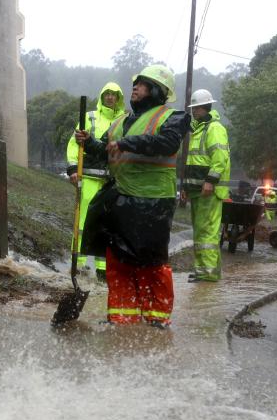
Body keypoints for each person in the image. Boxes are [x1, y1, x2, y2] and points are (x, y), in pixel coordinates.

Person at [74, 64, 190, 328]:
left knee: (151, 264)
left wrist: (126, 143)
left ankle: (156, 320)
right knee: (118, 262)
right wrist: (89, 142)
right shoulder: (120, 122)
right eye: (135, 83)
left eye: (142, 83)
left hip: (153, 203)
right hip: (120, 200)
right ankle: (122, 318)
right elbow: (106, 151)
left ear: (156, 90)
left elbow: (166, 143)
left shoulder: (173, 117)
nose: (135, 87)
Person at [64, 82, 125, 280]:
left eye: (114, 94)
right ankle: (78, 266)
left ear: (118, 98)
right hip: (88, 177)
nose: (110, 97)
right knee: (82, 222)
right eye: (106, 93)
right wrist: (73, 168)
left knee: (107, 225)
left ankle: (103, 269)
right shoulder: (89, 117)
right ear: (102, 96)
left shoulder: (125, 121)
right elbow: (74, 144)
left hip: (110, 181)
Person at [182, 88, 230, 283]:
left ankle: (208, 274)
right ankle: (203, 270)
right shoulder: (198, 129)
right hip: (197, 190)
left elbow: (220, 158)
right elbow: (193, 162)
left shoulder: (214, 128)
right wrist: (186, 187)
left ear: (206, 107)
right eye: (193, 108)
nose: (194, 111)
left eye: (197, 108)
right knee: (201, 231)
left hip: (209, 190)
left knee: (207, 232)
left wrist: (210, 181)